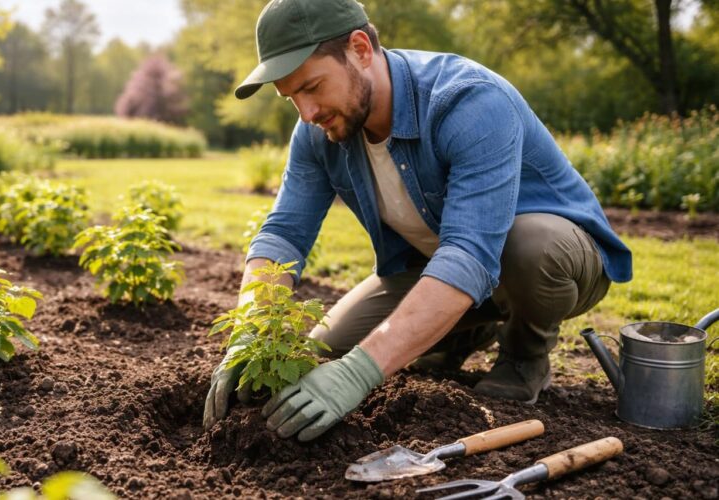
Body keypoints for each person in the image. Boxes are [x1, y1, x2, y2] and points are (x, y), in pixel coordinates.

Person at [202, 0, 633, 442]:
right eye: (292, 97)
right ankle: (463, 333)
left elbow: (469, 254)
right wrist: (250, 334)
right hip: (438, 263)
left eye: (312, 86)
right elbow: (284, 234)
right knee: (329, 348)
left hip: (555, 260)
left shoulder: (469, 101)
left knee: (529, 246)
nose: (307, 112)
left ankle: (525, 355)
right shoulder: (317, 132)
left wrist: (358, 374)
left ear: (360, 49)